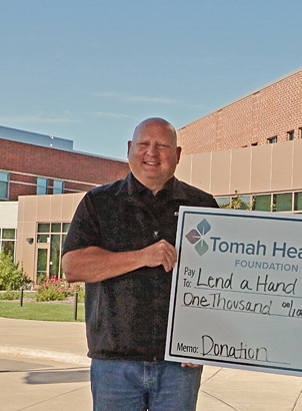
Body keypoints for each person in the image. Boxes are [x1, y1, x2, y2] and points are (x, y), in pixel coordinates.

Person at [62, 117, 218, 411]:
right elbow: (73, 266)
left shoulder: (203, 206)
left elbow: (222, 280)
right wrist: (143, 256)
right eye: (144, 144)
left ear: (178, 155)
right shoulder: (99, 202)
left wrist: (202, 338)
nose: (152, 153)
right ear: (130, 149)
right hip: (115, 364)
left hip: (179, 365)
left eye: (162, 145)